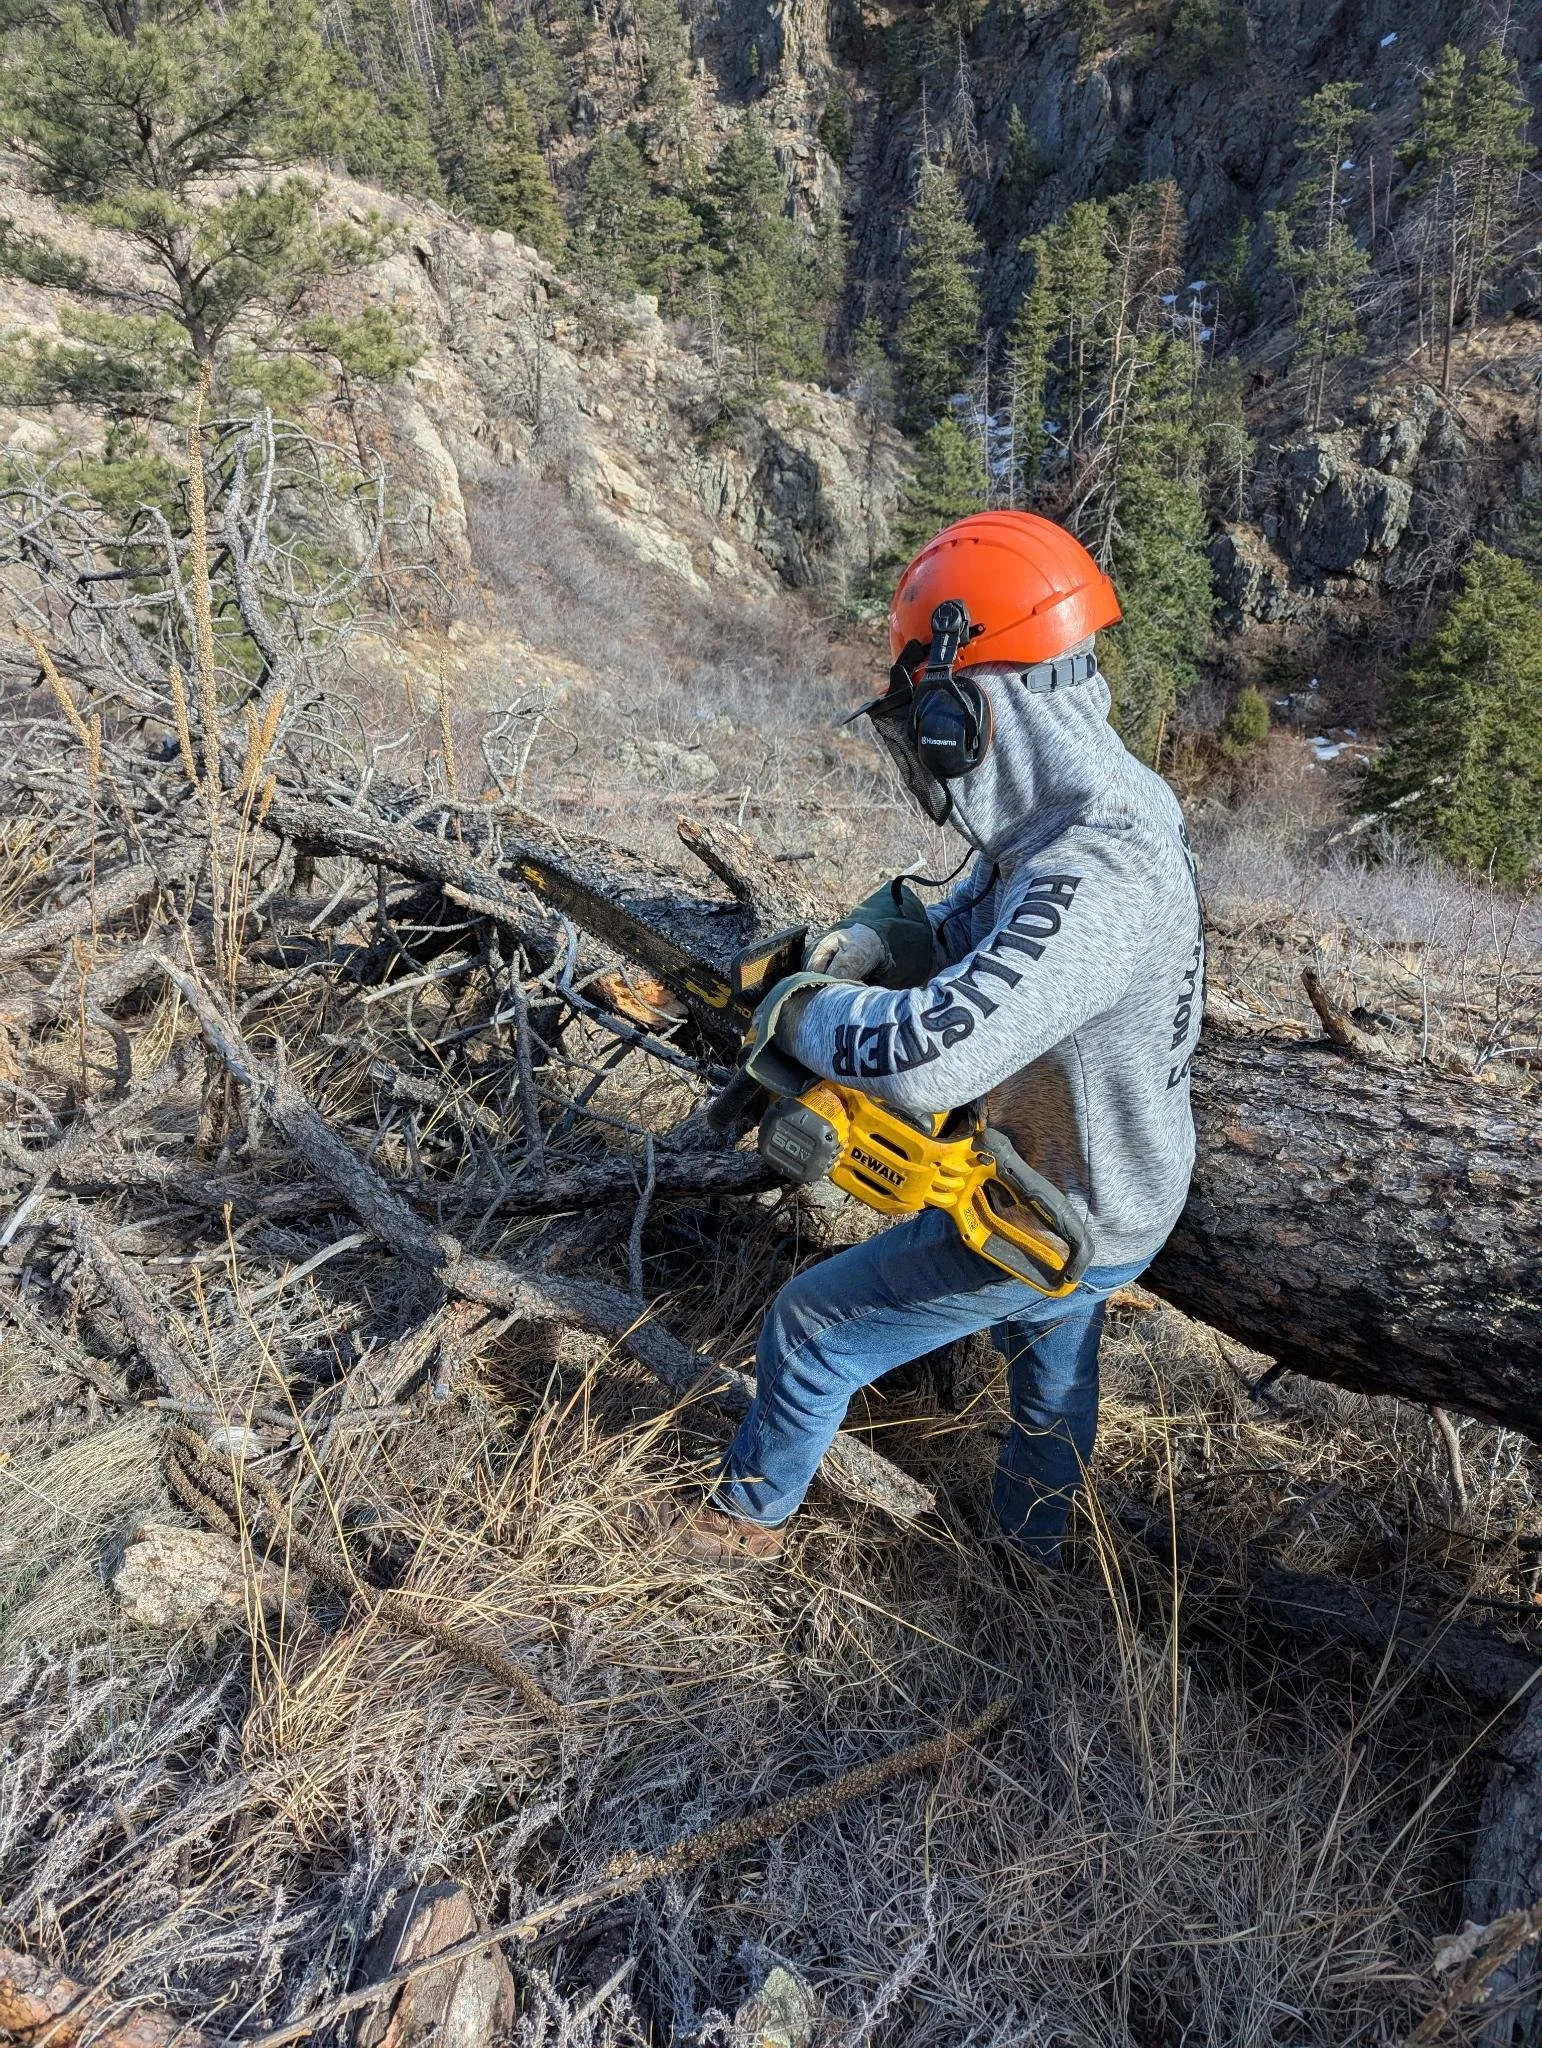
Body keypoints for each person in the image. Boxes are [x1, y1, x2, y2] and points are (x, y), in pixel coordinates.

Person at [682, 510, 1204, 1567]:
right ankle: (1033, 1554)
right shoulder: (1082, 812)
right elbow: (983, 920)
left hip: (1060, 1205)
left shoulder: (1099, 872)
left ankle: (741, 1526)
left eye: (928, 714)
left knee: (816, 1328)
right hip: (1112, 1181)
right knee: (1048, 1365)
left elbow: (928, 1061)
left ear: (968, 711)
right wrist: (880, 940)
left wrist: (802, 1013)